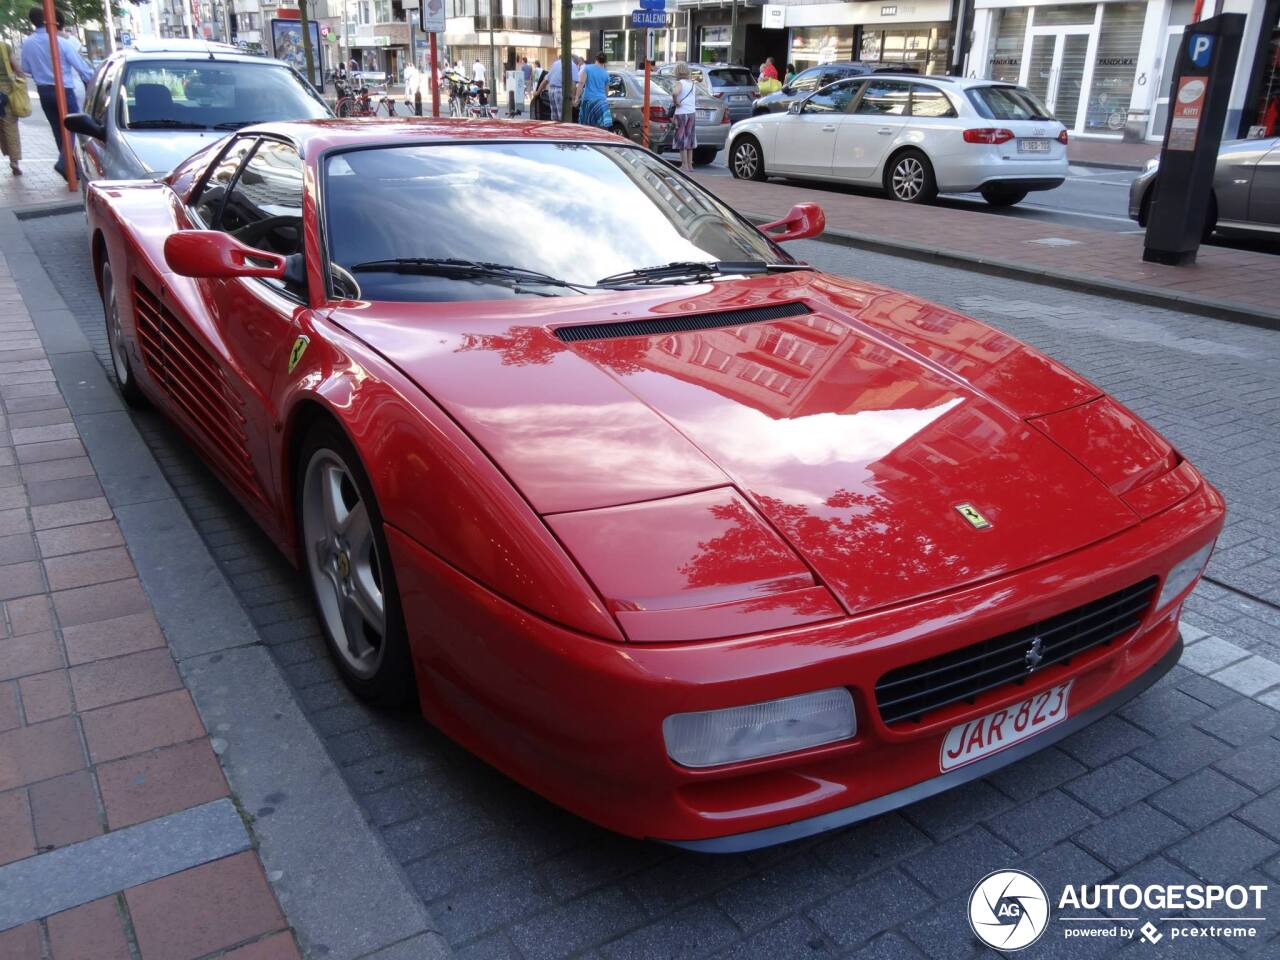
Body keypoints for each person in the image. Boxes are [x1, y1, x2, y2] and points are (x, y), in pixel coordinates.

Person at [20, 7, 93, 181]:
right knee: (72, 127)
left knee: (58, 130)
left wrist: (41, 71)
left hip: (44, 90)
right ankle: (64, 163)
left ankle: (69, 167)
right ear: (49, 20)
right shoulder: (60, 42)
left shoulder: (28, 43)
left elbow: (25, 68)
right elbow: (82, 68)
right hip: (63, 89)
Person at [0, 39, 24, 176]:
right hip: (5, 92)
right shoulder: (4, 46)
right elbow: (18, 69)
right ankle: (14, 161)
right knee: (10, 128)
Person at [671, 62, 697, 173]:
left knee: (681, 138)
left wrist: (676, 103)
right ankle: (690, 165)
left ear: (677, 71)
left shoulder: (679, 83)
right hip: (692, 113)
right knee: (690, 139)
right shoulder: (692, 83)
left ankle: (684, 165)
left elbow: (674, 93)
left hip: (681, 113)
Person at [575, 51, 611, 130]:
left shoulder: (587, 68)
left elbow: (581, 83)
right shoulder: (606, 74)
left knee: (586, 128)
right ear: (605, 61)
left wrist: (577, 97)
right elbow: (606, 93)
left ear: (596, 59)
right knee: (602, 128)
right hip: (602, 103)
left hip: (588, 101)